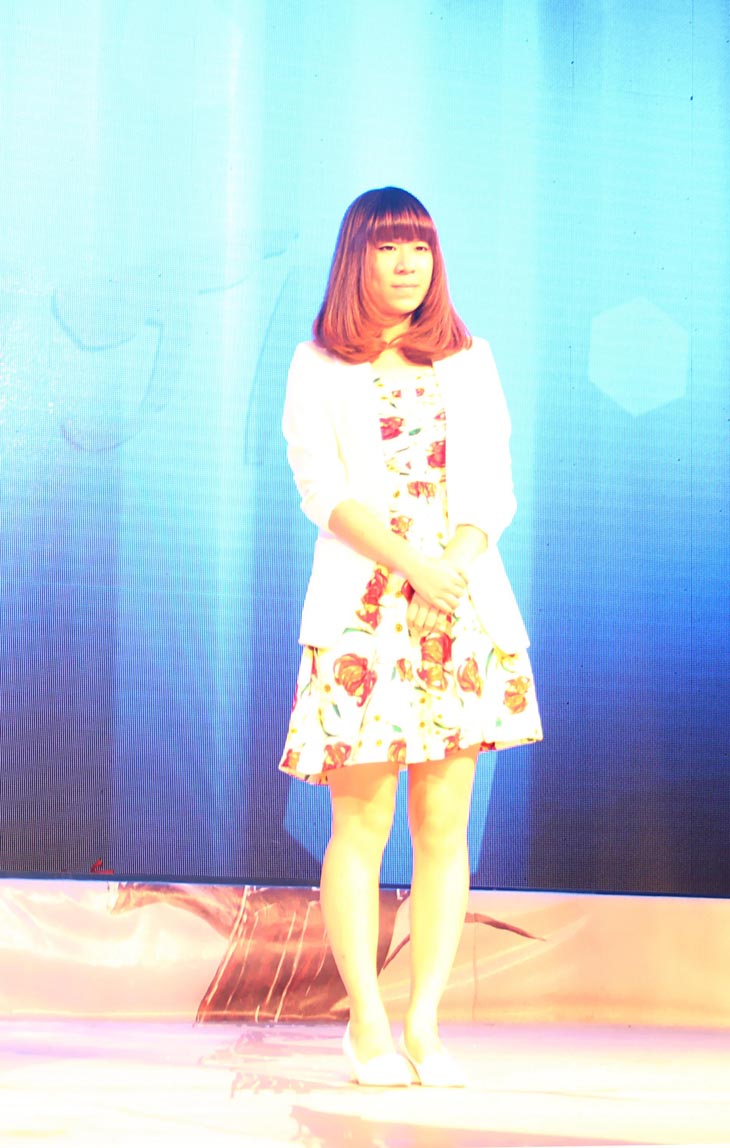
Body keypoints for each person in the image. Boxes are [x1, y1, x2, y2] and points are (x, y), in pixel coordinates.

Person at [279, 187, 542, 1087]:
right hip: (365, 613)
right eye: (389, 247)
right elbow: (321, 490)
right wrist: (413, 569)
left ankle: (425, 1024)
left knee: (443, 827)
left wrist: (448, 574)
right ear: (357, 257)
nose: (407, 264)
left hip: (457, 610)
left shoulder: (470, 359)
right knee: (360, 824)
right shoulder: (318, 363)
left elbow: (494, 489)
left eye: (420, 248)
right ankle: (367, 1025)